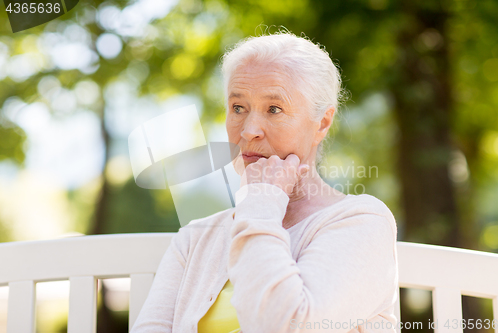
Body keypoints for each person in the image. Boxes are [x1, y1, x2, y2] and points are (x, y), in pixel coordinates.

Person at [131, 30, 399, 333]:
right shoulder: (194, 239)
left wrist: (261, 199)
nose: (248, 131)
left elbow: (287, 326)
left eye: (274, 109)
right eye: (238, 108)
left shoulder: (363, 222)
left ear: (322, 123)